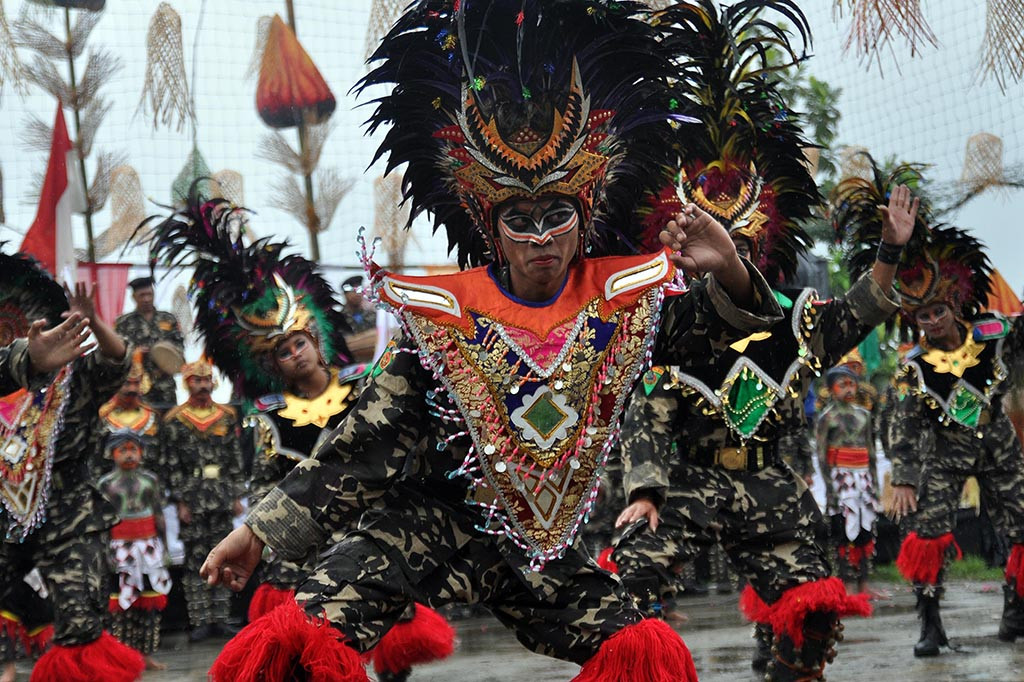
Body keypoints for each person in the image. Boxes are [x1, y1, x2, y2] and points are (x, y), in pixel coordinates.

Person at [197, 2, 785, 680]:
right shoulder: (443, 318)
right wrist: (259, 532)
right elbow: (360, 449)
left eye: (556, 215)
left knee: (640, 651)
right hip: (426, 522)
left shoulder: (626, 302)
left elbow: (726, 333)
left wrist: (733, 267)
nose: (540, 238)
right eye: (520, 219)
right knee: (305, 636)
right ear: (491, 226)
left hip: (536, 544)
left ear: (583, 215)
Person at [610, 5, 906, 680]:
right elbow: (649, 408)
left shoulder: (795, 321)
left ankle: (780, 661)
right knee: (628, 596)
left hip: (771, 485)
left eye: (740, 243)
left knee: (814, 613)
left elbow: (863, 307)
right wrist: (647, 490)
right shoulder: (662, 320)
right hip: (682, 483)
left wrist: (890, 247)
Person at [143, 187, 456, 680]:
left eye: (299, 342)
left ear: (316, 340)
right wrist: (264, 533)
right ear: (273, 364)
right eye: (284, 351)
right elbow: (265, 480)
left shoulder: (365, 386)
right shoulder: (269, 414)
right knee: (313, 646)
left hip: (372, 520)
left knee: (389, 631)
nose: (295, 354)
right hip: (304, 535)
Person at [851, 170, 1024, 655]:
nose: (930, 322)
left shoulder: (993, 333)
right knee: (928, 535)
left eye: (937, 312)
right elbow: (902, 425)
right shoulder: (914, 367)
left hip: (1000, 446)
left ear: (953, 303)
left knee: (1022, 524)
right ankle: (930, 624)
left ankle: (1016, 610)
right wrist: (904, 477)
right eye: (921, 317)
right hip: (943, 455)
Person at [0, 249, 143, 681]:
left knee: (80, 621)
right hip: (5, 516)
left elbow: (117, 362)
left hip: (71, 513)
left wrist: (94, 320)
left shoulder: (71, 374)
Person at [159, 359, 244, 642]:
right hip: (192, 500)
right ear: (187, 384)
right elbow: (170, 464)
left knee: (225, 558)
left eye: (207, 380)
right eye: (197, 380)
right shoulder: (175, 420)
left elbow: (234, 459)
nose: (203, 385)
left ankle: (221, 619)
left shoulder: (226, 416)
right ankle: (199, 621)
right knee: (197, 561)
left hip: (220, 497)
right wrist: (180, 501)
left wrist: (235, 495)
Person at [98, 430, 172, 671]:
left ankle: (147, 654)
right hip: (119, 547)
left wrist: (166, 548)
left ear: (141, 453)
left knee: (150, 604)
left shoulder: (150, 480)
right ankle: (121, 656)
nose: (129, 455)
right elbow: (101, 523)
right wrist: (104, 552)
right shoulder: (105, 484)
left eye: (133, 449)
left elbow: (159, 515)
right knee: (121, 607)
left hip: (149, 545)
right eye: (123, 450)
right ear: (112, 454)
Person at [817, 366, 882, 596]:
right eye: (842, 384)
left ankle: (864, 584)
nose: (848, 389)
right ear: (831, 389)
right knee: (842, 531)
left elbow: (872, 451)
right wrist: (829, 489)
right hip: (840, 478)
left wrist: (874, 482)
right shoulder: (827, 418)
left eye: (852, 384)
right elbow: (822, 456)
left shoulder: (864, 415)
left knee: (866, 529)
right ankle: (843, 584)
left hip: (863, 475)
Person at [114, 277, 184, 411]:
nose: (146, 299)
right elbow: (117, 353)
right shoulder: (123, 323)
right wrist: (135, 353)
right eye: (142, 295)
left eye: (149, 294)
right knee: (140, 424)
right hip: (136, 386)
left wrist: (166, 353)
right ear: (134, 297)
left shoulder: (168, 319)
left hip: (165, 385)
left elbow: (180, 347)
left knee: (168, 423)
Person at [96, 363, 161, 468]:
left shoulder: (153, 417)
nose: (132, 389)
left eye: (136, 384)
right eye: (127, 384)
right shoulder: (102, 417)